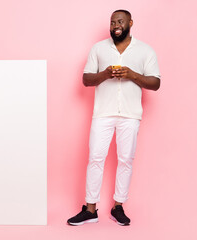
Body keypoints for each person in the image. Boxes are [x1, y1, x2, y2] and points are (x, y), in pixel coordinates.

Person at [67, 9, 160, 226]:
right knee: (95, 159)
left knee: (126, 160)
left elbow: (155, 83)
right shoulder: (98, 49)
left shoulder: (145, 51)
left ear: (130, 23)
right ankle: (90, 209)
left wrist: (133, 75)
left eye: (120, 21)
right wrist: (105, 74)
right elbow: (86, 79)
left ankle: (118, 207)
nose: (115, 25)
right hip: (103, 113)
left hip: (130, 114)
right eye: (112, 22)